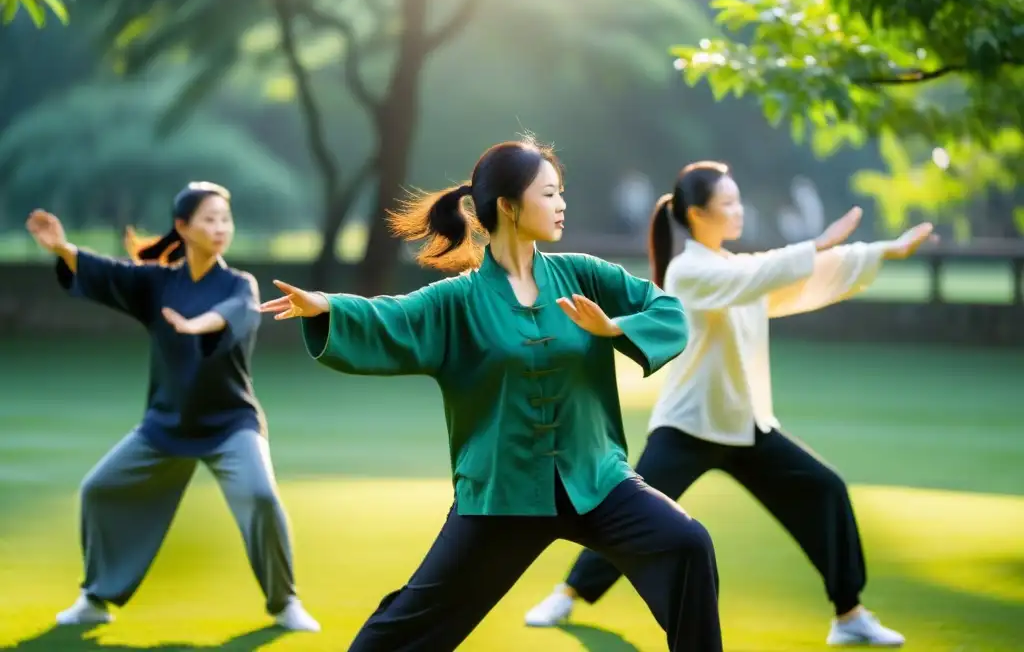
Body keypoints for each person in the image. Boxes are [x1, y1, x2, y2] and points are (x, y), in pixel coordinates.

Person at [259, 139, 723, 651]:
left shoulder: (583, 274)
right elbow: (392, 316)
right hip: (503, 493)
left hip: (596, 480)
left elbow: (668, 311)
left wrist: (615, 328)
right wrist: (327, 305)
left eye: (560, 192)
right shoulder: (458, 300)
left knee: (686, 544)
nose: (561, 203)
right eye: (548, 194)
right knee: (408, 626)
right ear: (508, 206)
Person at [526, 161, 934, 648]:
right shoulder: (689, 271)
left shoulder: (735, 269)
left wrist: (883, 250)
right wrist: (818, 243)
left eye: (739, 201)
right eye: (728, 204)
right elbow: (765, 272)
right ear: (696, 215)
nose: (739, 211)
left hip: (747, 426)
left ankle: (849, 615)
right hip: (689, 426)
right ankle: (569, 592)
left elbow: (791, 280)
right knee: (630, 512)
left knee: (825, 490)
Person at [25, 182, 319, 633]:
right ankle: (96, 597)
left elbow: (232, 313)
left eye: (225, 219)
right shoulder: (156, 282)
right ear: (183, 227)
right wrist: (63, 248)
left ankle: (284, 604)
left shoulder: (240, 283)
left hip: (231, 425)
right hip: (166, 423)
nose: (220, 228)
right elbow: (107, 273)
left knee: (260, 497)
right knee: (98, 489)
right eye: (209, 219)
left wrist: (193, 325)